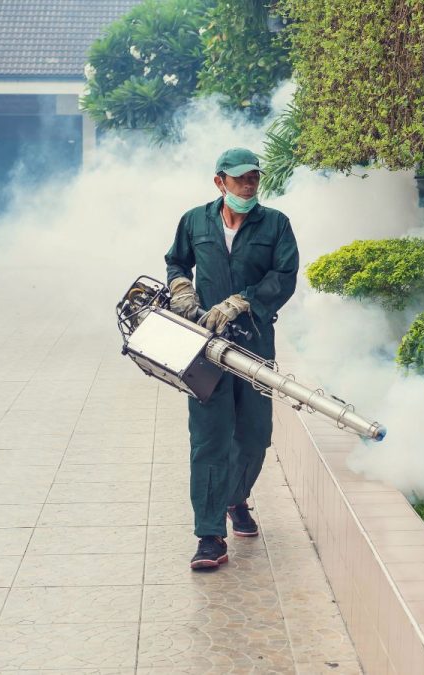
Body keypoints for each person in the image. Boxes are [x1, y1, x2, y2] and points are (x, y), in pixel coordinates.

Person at [165, 147, 299, 570]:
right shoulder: (194, 220)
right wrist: (182, 288)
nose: (248, 185)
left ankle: (236, 498)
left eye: (254, 178)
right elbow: (175, 262)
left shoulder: (275, 224)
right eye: (240, 179)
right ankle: (209, 536)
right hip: (205, 347)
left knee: (255, 435)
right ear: (219, 181)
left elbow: (285, 275)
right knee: (208, 439)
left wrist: (245, 300)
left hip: (254, 341)